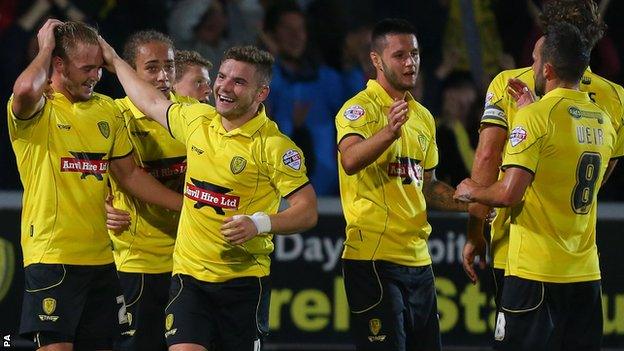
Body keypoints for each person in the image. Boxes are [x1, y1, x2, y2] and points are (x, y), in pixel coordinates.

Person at [99, 39, 318, 351]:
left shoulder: (276, 147)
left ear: (261, 94)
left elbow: (307, 210)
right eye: (222, 77)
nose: (224, 88)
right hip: (189, 278)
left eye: (239, 81)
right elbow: (150, 102)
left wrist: (259, 224)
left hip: (244, 281)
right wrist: (113, 58)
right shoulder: (198, 120)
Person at [7, 20, 182, 351]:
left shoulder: (106, 110)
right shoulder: (38, 110)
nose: (95, 76)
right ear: (58, 65)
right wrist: (45, 46)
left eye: (98, 67)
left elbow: (130, 176)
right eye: (86, 68)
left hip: (103, 260)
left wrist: (187, 208)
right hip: (53, 256)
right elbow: (24, 89)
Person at [455, 23, 615, 350]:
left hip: (535, 272)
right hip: (585, 274)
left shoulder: (534, 117)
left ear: (548, 69)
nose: (531, 67)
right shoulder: (603, 119)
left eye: (534, 61)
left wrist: (471, 190)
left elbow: (508, 193)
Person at [335, 18, 466, 351]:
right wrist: (387, 134)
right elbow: (350, 160)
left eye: (416, 53)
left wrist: (470, 201)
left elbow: (430, 186)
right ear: (376, 60)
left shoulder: (421, 116)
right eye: (399, 55)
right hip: (374, 260)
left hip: (419, 261)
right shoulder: (357, 110)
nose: (411, 62)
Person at [107, 30, 196, 351]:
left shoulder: (192, 113)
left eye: (170, 66)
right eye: (152, 67)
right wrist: (99, 207)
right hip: (138, 262)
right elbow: (83, 173)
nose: (163, 76)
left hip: (190, 261)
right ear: (130, 71)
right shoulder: (114, 116)